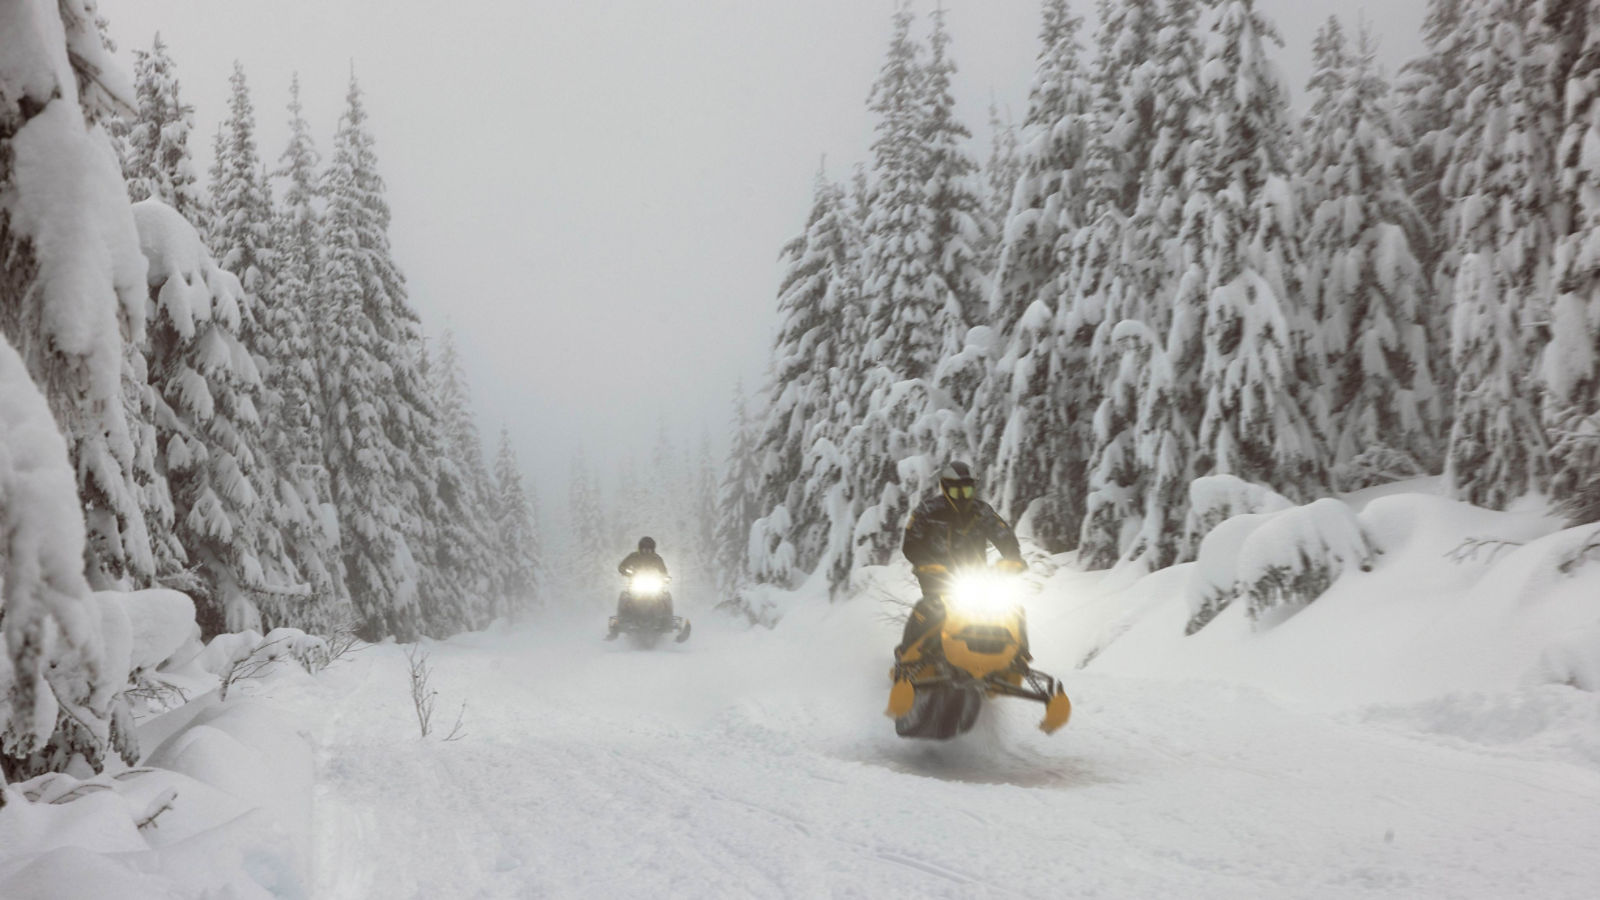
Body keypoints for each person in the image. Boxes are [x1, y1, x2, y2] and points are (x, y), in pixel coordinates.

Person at [897, 461, 1028, 660]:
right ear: (946, 489)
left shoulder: (982, 511)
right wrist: (926, 563)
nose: (962, 497)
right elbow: (911, 543)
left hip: (977, 578)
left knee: (1012, 609)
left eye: (967, 491)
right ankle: (907, 654)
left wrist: (1013, 558)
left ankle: (1019, 656)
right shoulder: (928, 511)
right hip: (937, 578)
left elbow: (1003, 534)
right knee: (930, 608)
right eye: (956, 492)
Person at [608, 537, 672, 639]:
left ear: (653, 549)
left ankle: (667, 621)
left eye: (649, 548)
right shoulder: (634, 556)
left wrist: (665, 578)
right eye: (644, 548)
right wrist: (628, 572)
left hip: (653, 585)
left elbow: (663, 572)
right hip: (636, 584)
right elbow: (622, 567)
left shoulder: (657, 558)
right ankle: (621, 621)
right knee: (624, 596)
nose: (646, 550)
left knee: (666, 596)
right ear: (640, 548)